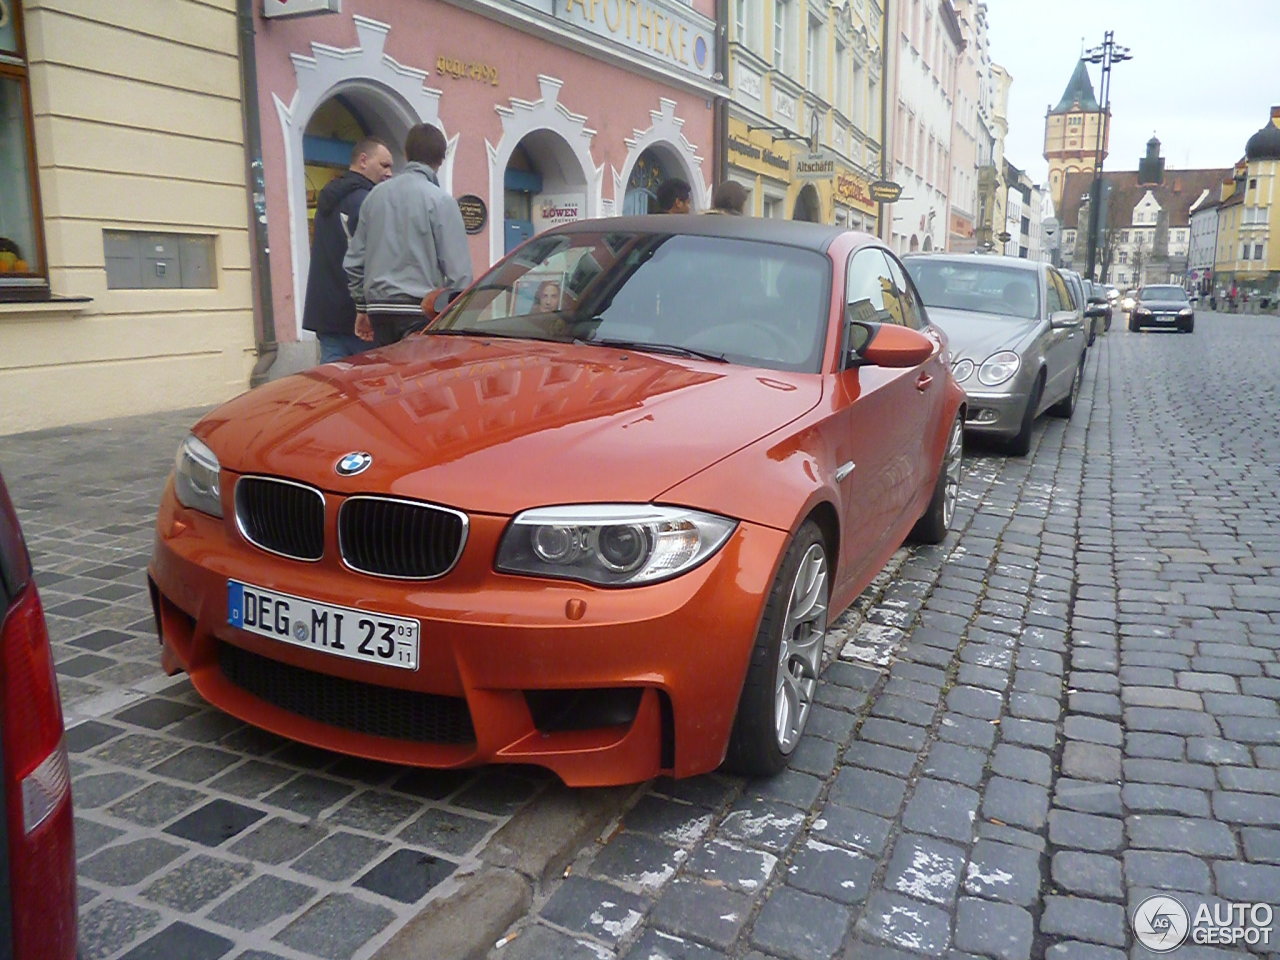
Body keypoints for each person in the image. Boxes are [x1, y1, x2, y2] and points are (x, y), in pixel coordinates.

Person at [345, 123, 473, 348]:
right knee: (416, 380)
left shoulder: (374, 196)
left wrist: (362, 307)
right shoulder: (440, 201)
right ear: (440, 160)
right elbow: (458, 272)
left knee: (386, 378)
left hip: (379, 310)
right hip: (420, 310)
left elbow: (355, 261)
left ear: (406, 154)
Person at [301, 138, 394, 364]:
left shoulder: (329, 196)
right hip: (360, 316)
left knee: (334, 388)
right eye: (384, 165)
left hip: (326, 312)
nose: (390, 173)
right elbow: (374, 259)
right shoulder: (367, 202)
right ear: (363, 160)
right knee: (368, 387)